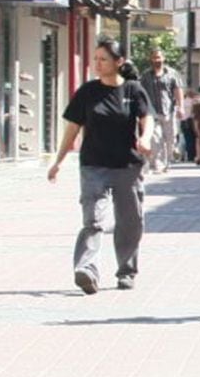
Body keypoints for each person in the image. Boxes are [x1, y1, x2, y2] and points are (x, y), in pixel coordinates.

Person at [48, 37, 153, 295]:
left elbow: (146, 117)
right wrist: (58, 162)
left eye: (103, 59)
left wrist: (146, 137)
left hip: (127, 166)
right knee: (93, 219)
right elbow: (72, 129)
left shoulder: (133, 90)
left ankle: (126, 271)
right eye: (95, 58)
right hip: (93, 165)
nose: (97, 63)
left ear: (119, 62)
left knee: (129, 221)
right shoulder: (87, 92)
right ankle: (86, 270)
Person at [139, 48, 184, 173]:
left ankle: (168, 162)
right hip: (152, 113)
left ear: (163, 59)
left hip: (169, 111)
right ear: (151, 59)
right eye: (154, 58)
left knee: (170, 139)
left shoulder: (172, 74)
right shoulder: (146, 76)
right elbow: (141, 92)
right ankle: (158, 164)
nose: (157, 60)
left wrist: (181, 107)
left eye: (159, 57)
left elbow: (177, 90)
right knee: (156, 139)